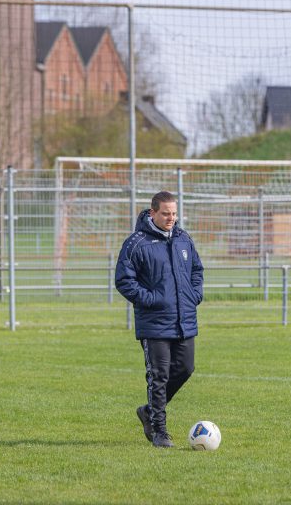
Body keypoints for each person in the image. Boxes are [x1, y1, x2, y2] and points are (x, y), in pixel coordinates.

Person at [115, 191, 204, 448]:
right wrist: (150, 299)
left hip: (184, 319)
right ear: (152, 213)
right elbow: (124, 280)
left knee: (186, 368)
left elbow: (197, 270)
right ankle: (159, 431)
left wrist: (194, 294)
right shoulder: (136, 243)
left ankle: (148, 411)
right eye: (166, 213)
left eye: (174, 213)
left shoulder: (183, 239)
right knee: (159, 376)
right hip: (154, 323)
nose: (171, 218)